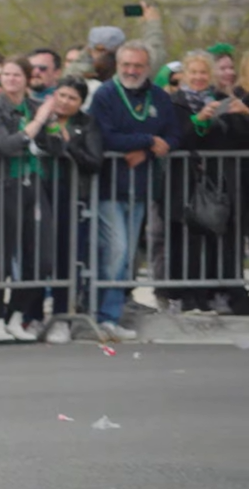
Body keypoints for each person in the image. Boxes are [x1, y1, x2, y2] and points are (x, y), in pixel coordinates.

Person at [87, 42, 181, 340]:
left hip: (141, 188)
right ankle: (101, 315)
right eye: (126, 64)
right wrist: (147, 140)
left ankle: (111, 315)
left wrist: (148, 151)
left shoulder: (159, 97)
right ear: (118, 65)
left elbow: (174, 134)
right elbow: (105, 136)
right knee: (116, 250)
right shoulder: (105, 94)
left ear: (147, 68)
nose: (131, 70)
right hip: (108, 187)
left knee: (128, 255)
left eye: (138, 65)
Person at [162, 50, 249, 314]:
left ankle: (216, 292)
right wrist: (198, 121)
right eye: (193, 72)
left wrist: (243, 113)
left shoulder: (222, 99)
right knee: (185, 238)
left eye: (203, 72)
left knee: (218, 237)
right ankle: (184, 294)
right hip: (182, 181)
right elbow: (174, 138)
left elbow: (237, 140)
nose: (199, 77)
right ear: (184, 75)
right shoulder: (173, 102)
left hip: (217, 182)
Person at [0, 59, 54, 342]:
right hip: (3, 186)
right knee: (0, 257)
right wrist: (38, 122)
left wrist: (52, 126)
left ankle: (16, 316)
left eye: (16, 74)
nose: (10, 79)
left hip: (34, 184)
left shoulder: (35, 106)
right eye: (5, 74)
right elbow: (5, 145)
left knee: (42, 258)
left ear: (27, 78)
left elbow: (54, 145)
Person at [31, 77, 104, 341]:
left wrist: (69, 144)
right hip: (39, 193)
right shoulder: (41, 117)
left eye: (72, 98)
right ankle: (32, 316)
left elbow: (94, 161)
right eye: (61, 95)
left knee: (66, 258)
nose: (64, 101)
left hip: (71, 196)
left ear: (81, 102)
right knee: (38, 257)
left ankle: (62, 316)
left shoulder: (87, 123)